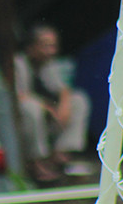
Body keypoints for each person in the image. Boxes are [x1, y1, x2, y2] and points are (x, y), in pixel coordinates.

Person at [13, 24, 91, 182]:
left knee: (78, 100)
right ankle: (37, 161)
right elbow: (19, 95)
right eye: (45, 46)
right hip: (26, 119)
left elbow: (63, 90)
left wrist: (64, 106)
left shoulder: (49, 64)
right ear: (31, 47)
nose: (51, 51)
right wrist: (48, 108)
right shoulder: (18, 64)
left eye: (53, 46)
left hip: (50, 119)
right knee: (31, 108)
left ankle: (62, 153)